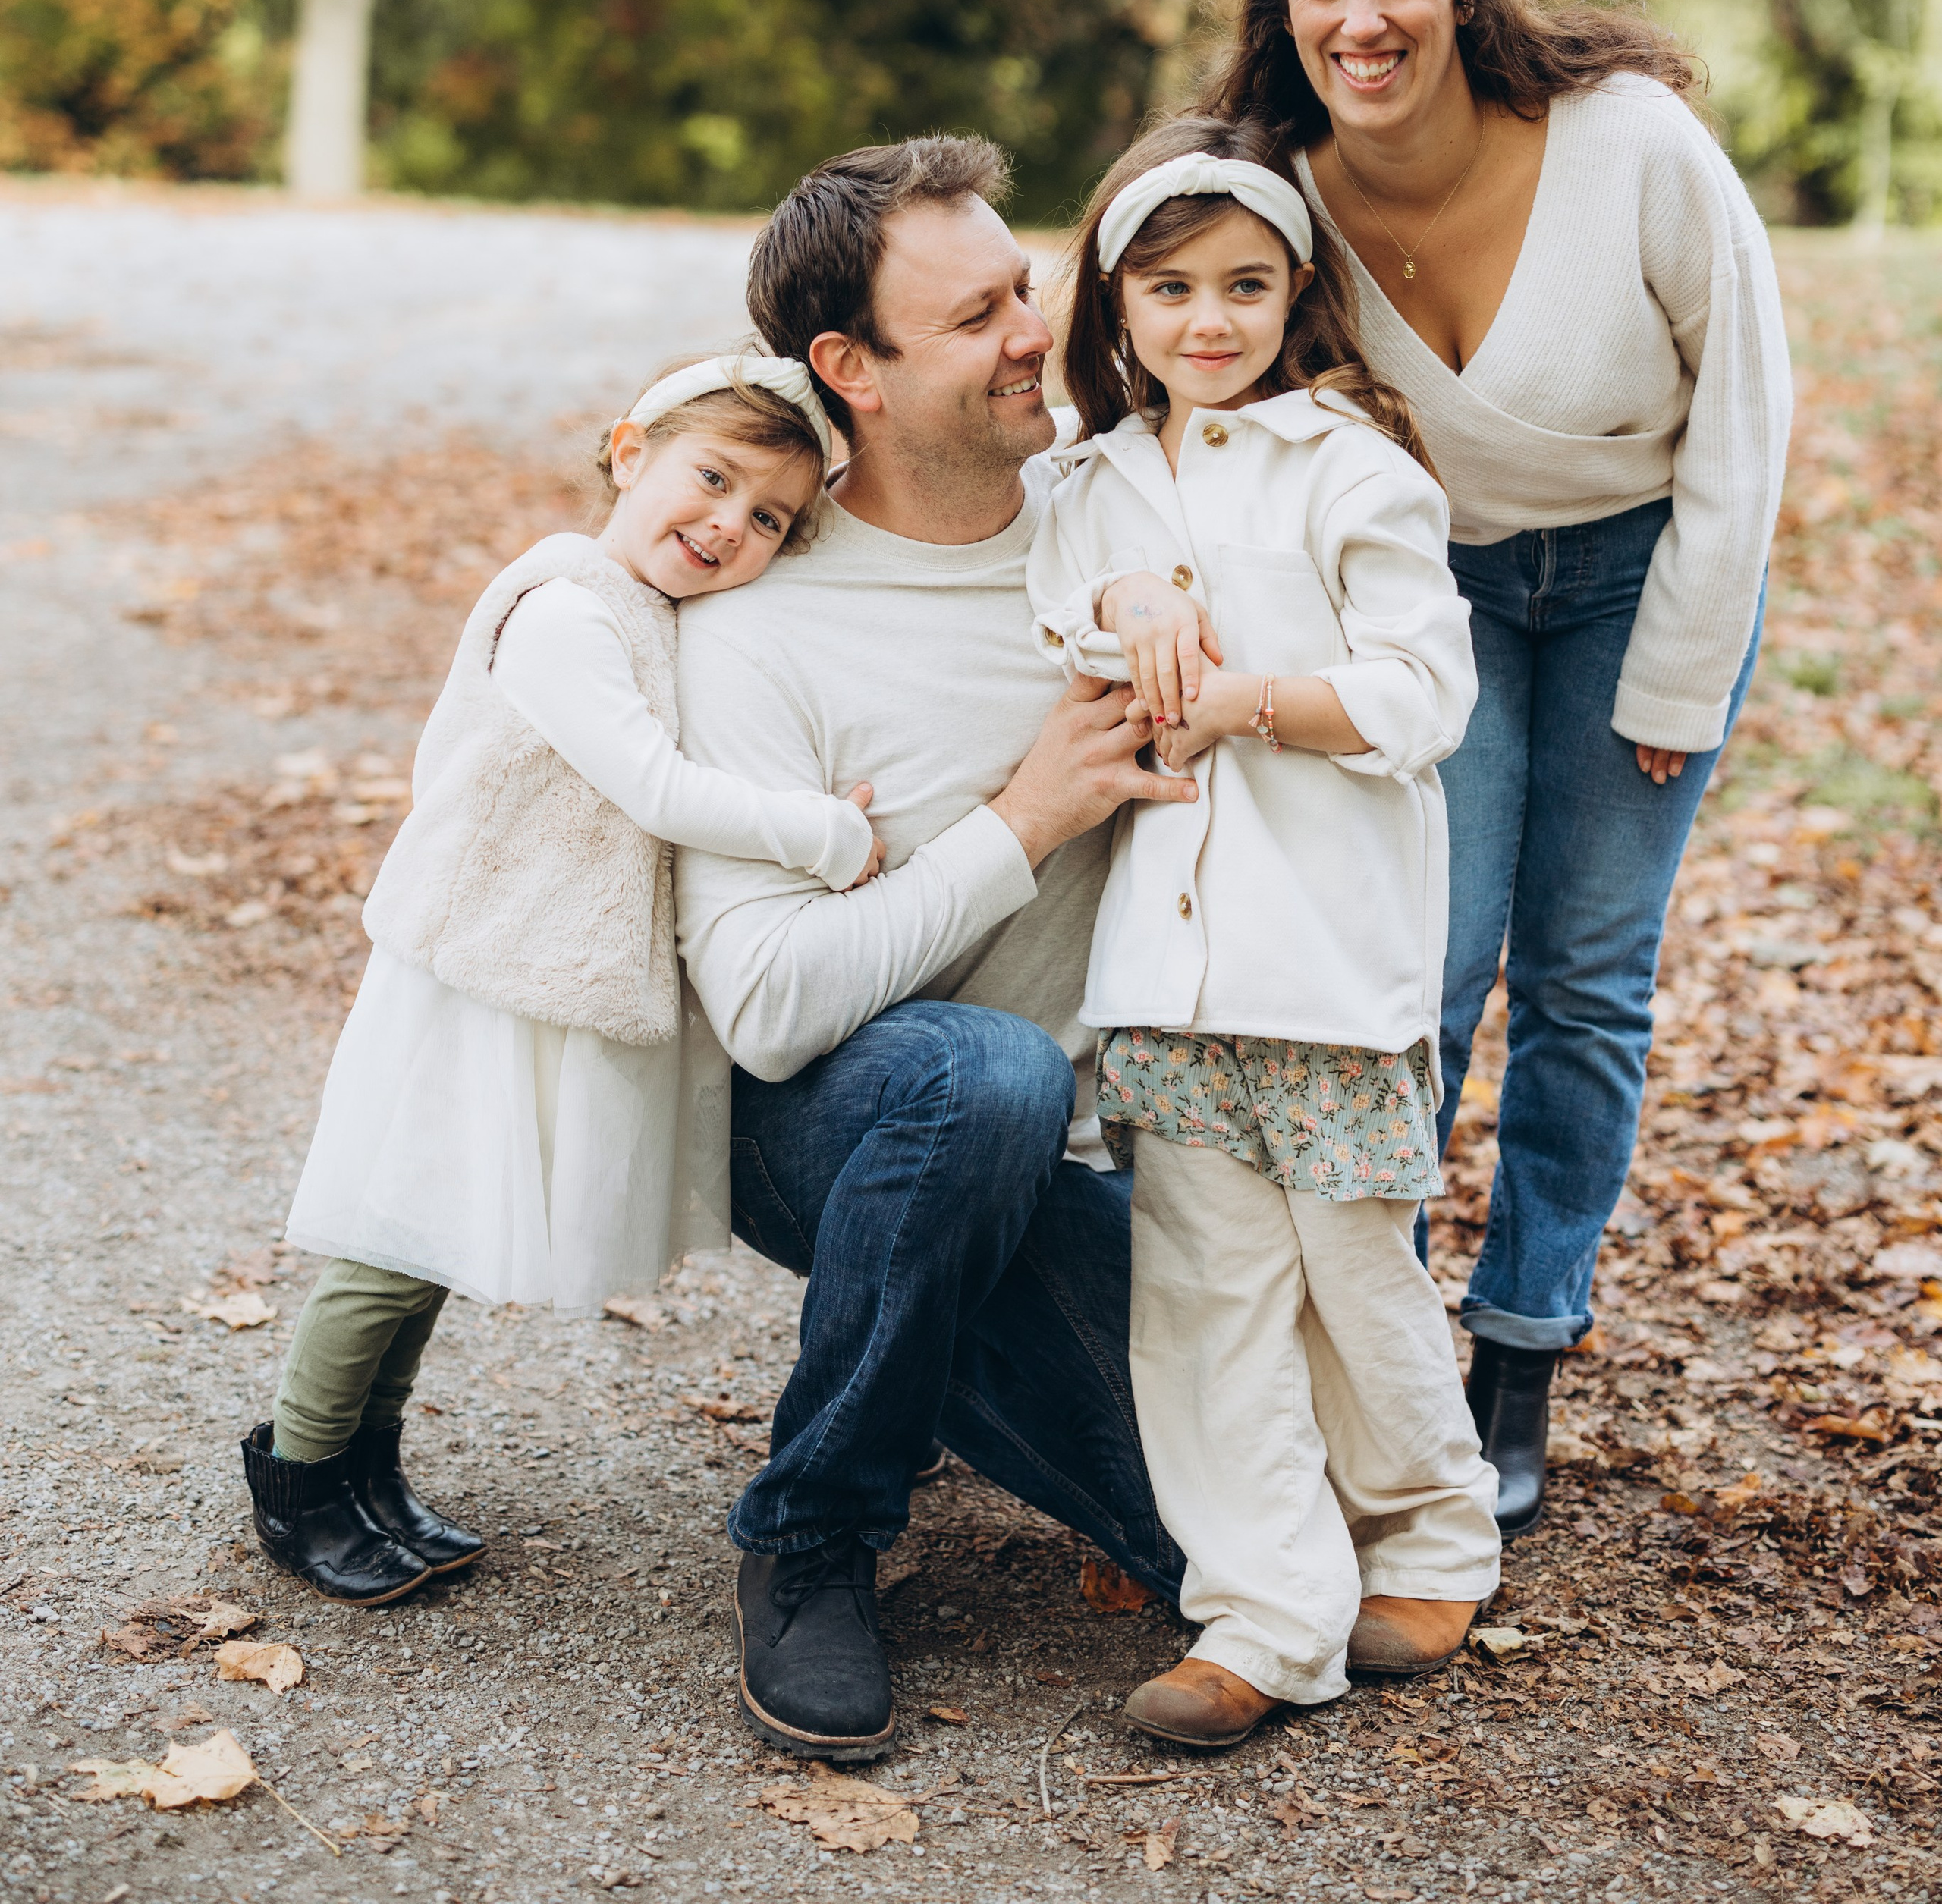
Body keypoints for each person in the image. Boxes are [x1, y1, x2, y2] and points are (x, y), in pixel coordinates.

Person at [1207, 0, 1790, 1535]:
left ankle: (1518, 1342)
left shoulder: (1629, 142)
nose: (1361, 18)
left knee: (1588, 976)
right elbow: (1160, 361)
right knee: (1423, 963)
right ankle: (1373, 1351)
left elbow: (1743, 428)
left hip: (1641, 575)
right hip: (1428, 601)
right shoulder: (1271, 184)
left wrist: (1676, 687)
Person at [674, 135, 1199, 1763]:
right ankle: (816, 1527)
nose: (1034, 332)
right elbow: (761, 1015)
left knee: (1257, 1553)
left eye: (1023, 289)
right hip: (840, 1124)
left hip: (1097, 1147)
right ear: (853, 369)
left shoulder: (1122, 517)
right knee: (976, 1079)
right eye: (977, 317)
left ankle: (958, 1345)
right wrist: (1023, 818)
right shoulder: (763, 618)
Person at [242, 357, 882, 1603]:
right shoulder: (566, 611)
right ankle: (302, 1473)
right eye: (714, 480)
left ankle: (367, 1462)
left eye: (768, 521)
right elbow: (650, 784)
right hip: (474, 967)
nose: (728, 526)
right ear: (629, 449)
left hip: (523, 962)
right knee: (394, 1237)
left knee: (430, 1236)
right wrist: (825, 833)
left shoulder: (649, 610)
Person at [1026, 116, 1498, 1748]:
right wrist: (1128, 608)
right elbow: (1057, 600)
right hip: (1162, 968)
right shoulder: (1085, 481)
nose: (1205, 321)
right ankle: (1264, 1616)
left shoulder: (1350, 470)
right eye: (1167, 290)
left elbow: (1423, 692)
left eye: (1241, 286)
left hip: (1327, 960)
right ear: (1115, 305)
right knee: (1208, 1292)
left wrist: (1247, 699)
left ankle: (1431, 1533)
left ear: (1294, 292)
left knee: (1352, 1274)